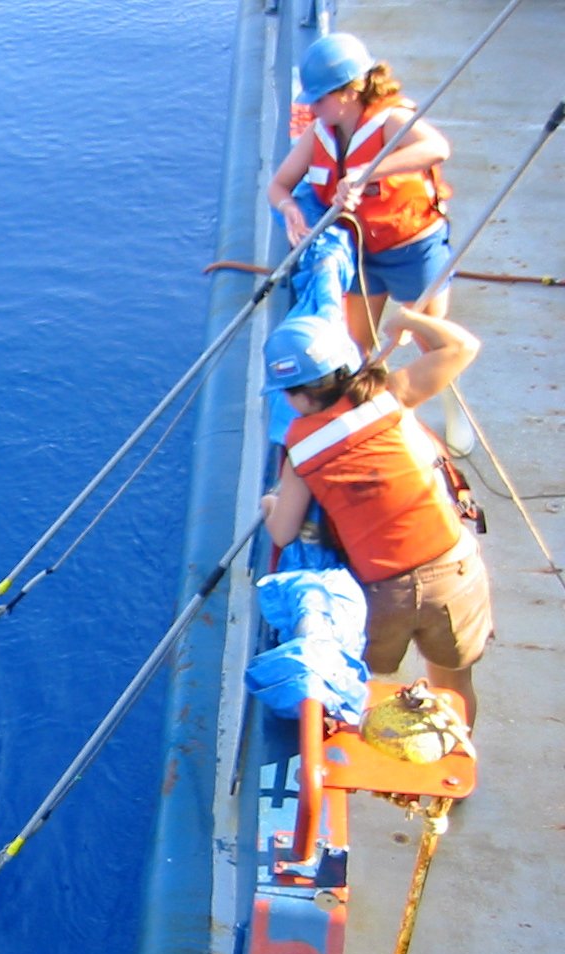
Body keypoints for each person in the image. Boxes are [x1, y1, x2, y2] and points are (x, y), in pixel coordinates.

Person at [260, 309, 492, 725]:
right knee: (453, 685)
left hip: (383, 592)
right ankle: (451, 778)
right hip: (454, 570)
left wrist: (269, 505)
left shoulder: (302, 449)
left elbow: (283, 531)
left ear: (296, 395)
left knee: (360, 689)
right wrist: (406, 319)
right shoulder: (393, 394)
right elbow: (462, 346)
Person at [267, 33, 453, 355]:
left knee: (433, 346)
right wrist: (289, 209)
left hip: (412, 250)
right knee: (357, 347)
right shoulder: (319, 132)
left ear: (349, 92)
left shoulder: (390, 120)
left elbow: (437, 148)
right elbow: (278, 186)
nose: (311, 108)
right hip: (361, 254)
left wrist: (365, 172)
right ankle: (372, 400)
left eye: (319, 99)